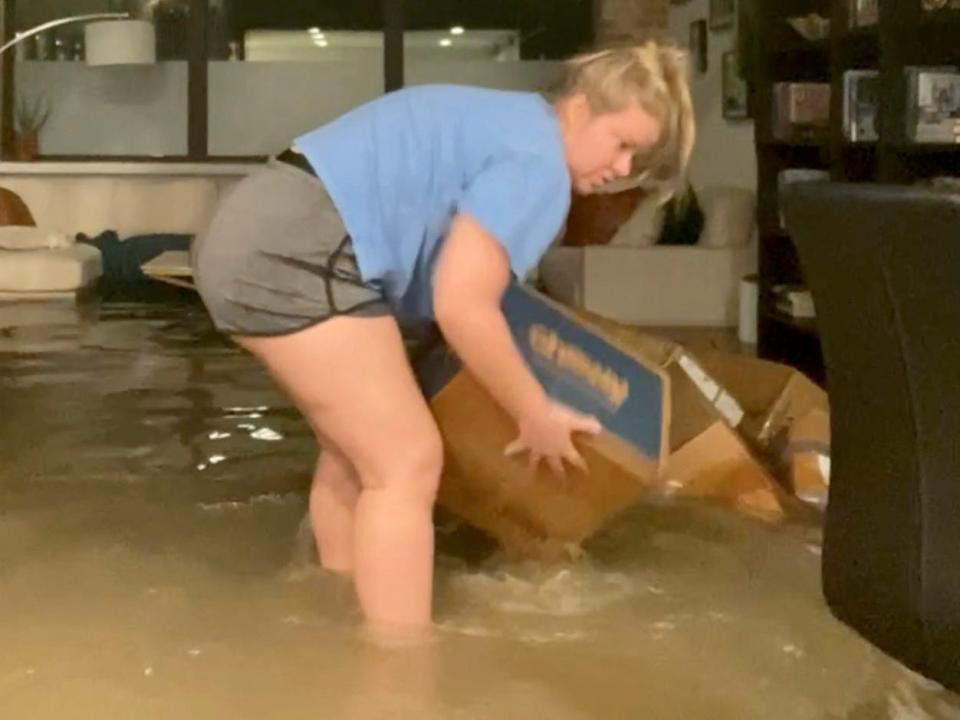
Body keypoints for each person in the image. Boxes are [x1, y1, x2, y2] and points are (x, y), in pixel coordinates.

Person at [191, 40, 695, 634]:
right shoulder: (538, 163)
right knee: (407, 462)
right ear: (581, 109)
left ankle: (331, 618)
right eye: (623, 144)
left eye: (636, 159)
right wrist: (534, 412)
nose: (621, 171)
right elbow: (463, 305)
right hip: (297, 248)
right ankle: (401, 674)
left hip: (256, 228)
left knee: (357, 457)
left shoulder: (508, 123)